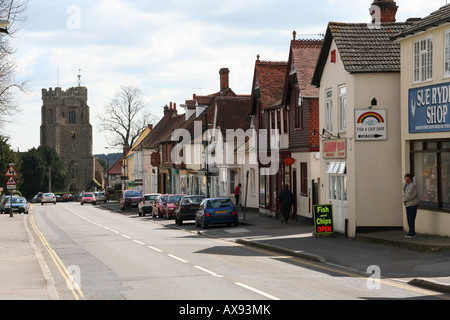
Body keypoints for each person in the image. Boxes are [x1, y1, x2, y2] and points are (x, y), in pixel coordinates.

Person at [402, 173, 420, 238]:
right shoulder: (405, 185)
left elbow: (410, 195)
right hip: (407, 204)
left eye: (408, 179)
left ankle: (412, 232)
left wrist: (404, 199)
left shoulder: (412, 186)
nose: (406, 181)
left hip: (412, 204)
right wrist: (404, 199)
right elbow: (405, 193)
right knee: (409, 219)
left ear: (411, 179)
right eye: (405, 179)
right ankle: (410, 232)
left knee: (411, 218)